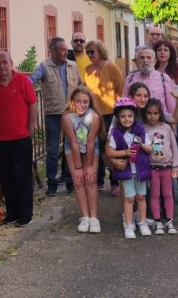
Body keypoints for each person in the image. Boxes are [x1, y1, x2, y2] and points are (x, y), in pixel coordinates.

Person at [0, 50, 38, 227]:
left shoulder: (23, 80)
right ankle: (12, 213)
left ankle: (26, 215)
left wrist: (31, 127)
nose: (2, 66)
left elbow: (33, 103)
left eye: (5, 62)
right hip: (2, 139)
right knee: (6, 177)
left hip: (21, 137)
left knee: (23, 177)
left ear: (11, 64)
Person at [29, 37, 80, 196]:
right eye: (62, 49)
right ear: (53, 51)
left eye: (65, 49)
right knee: (52, 150)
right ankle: (51, 184)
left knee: (70, 147)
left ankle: (70, 181)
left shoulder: (73, 66)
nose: (66, 52)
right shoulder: (44, 66)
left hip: (71, 113)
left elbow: (81, 86)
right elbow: (30, 81)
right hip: (53, 114)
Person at [105, 96, 153, 238]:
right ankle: (128, 224)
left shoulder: (141, 131)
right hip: (126, 171)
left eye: (130, 116)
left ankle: (142, 222)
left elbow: (151, 148)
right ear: (118, 118)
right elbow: (110, 152)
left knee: (141, 196)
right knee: (129, 198)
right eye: (123, 116)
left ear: (134, 116)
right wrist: (125, 152)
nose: (127, 119)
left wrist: (142, 145)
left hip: (140, 170)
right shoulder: (116, 133)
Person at [84, 39, 126, 194]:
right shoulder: (88, 69)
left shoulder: (111, 66)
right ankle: (99, 180)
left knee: (110, 146)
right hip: (93, 114)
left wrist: (121, 112)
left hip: (110, 114)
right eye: (87, 52)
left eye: (92, 52)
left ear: (101, 51)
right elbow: (87, 92)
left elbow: (121, 90)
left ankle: (115, 182)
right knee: (96, 147)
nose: (89, 55)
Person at [154, 40, 178, 205]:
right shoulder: (151, 71)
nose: (162, 52)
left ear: (171, 53)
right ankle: (165, 193)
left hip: (177, 116)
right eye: (159, 50)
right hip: (156, 119)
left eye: (166, 50)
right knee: (159, 153)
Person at [62, 85, 102, 233]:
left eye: (85, 101)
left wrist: (89, 166)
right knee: (78, 180)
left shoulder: (94, 117)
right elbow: (73, 143)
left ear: (90, 102)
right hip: (72, 149)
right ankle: (85, 216)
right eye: (78, 101)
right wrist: (78, 168)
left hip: (90, 148)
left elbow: (90, 142)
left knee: (91, 180)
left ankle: (94, 218)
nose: (82, 104)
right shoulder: (67, 117)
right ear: (72, 101)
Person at [143, 98, 178, 235]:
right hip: (152, 168)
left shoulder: (167, 127)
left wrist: (176, 166)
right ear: (145, 114)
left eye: (155, 113)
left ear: (160, 113)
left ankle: (169, 221)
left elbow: (174, 148)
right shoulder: (143, 129)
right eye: (149, 113)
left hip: (167, 167)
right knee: (154, 194)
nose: (152, 116)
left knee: (168, 194)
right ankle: (157, 221)